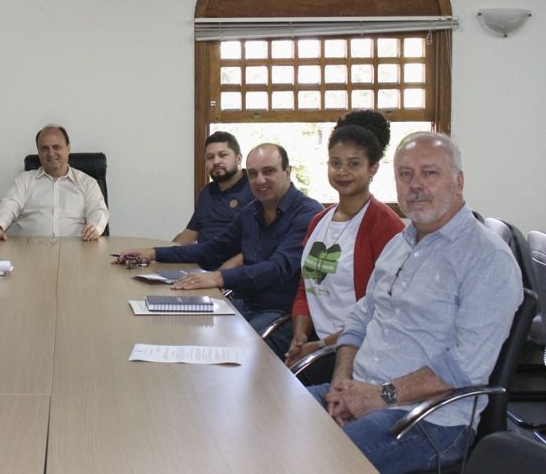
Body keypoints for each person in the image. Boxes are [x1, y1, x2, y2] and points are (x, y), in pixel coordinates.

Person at [307, 132, 521, 472]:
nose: (415, 185)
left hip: (429, 418)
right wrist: (341, 384)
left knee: (312, 461)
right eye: (405, 174)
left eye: (430, 173)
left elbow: (464, 367)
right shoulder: (401, 243)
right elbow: (360, 319)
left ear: (459, 181)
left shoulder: (488, 259)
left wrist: (378, 396)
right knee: (271, 419)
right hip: (360, 390)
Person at [119, 143, 322, 355]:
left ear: (288, 171)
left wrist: (218, 277)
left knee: (225, 353)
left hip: (281, 314)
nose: (260, 180)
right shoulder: (251, 211)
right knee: (181, 331)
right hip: (244, 303)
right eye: (253, 174)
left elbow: (277, 269)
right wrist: (154, 253)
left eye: (268, 171)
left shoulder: (308, 213)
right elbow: (213, 249)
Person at [284, 112, 404, 366]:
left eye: (354, 164)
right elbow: (306, 287)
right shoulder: (319, 221)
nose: (342, 172)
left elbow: (383, 311)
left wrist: (320, 347)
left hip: (357, 349)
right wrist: (300, 335)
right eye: (335, 163)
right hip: (316, 343)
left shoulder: (386, 226)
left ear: (373, 168)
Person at [0, 124, 109, 242]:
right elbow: (10, 204)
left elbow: (97, 210)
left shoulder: (87, 183)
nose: (51, 153)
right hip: (30, 252)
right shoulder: (24, 180)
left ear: (68, 148)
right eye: (45, 148)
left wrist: (94, 228)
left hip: (76, 251)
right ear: (38, 152)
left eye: (56, 147)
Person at [172, 131, 254, 249]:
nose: (216, 162)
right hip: (202, 257)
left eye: (223, 155)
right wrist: (163, 252)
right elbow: (190, 234)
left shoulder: (255, 189)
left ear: (238, 159)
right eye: (210, 157)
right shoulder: (206, 192)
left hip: (237, 259)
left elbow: (260, 244)